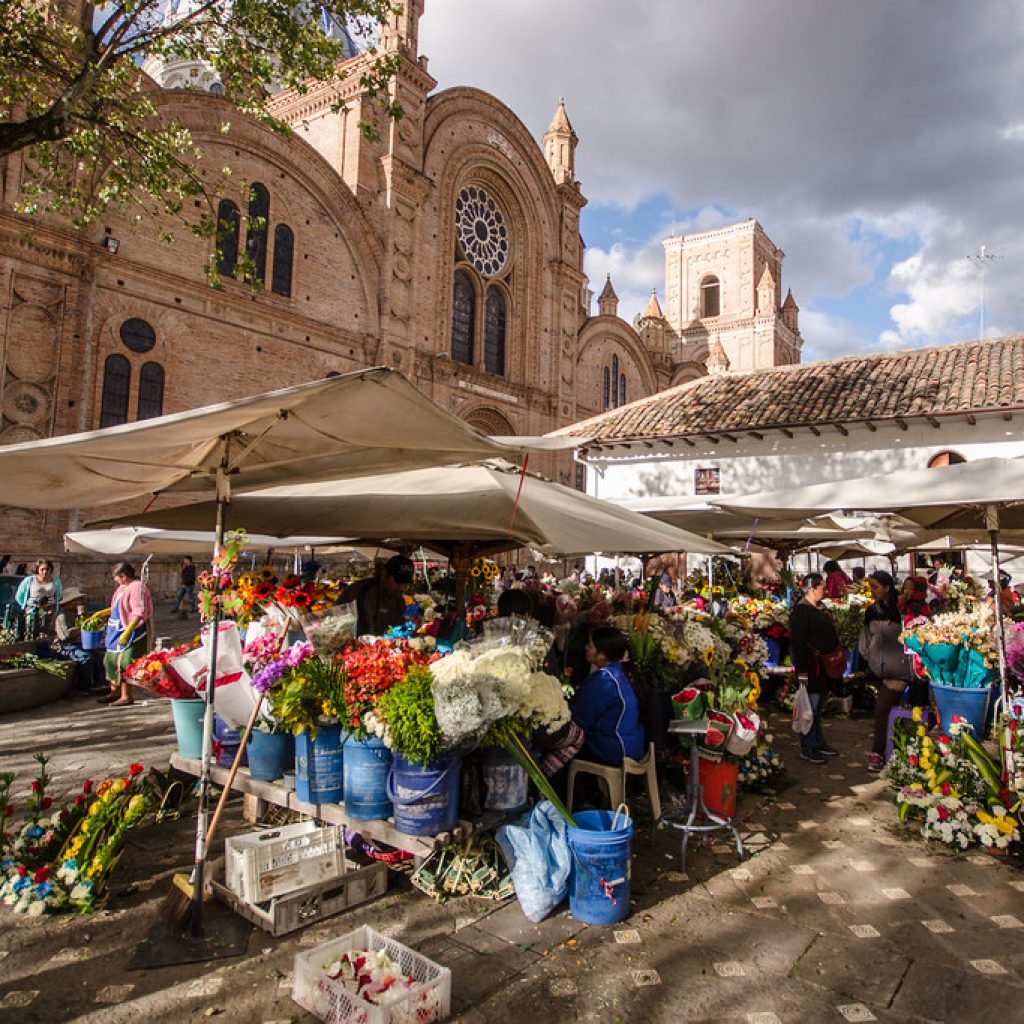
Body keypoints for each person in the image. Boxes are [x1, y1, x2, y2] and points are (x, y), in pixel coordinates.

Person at [860, 570, 919, 772]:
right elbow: (865, 640)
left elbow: (914, 642)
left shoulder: (903, 611)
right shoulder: (871, 612)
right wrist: (871, 660)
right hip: (879, 670)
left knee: (882, 710)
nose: (872, 591)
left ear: (887, 588)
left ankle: (879, 753)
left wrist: (909, 668)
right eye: (871, 587)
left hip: (900, 671)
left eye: (875, 587)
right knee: (884, 711)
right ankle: (893, 751)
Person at [568, 625, 645, 767]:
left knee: (560, 745)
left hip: (613, 749)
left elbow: (580, 717)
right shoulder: (619, 672)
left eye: (590, 645)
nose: (586, 647)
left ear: (602, 654)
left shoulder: (605, 679)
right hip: (632, 746)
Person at [788, 572, 841, 765]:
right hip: (811, 668)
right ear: (812, 589)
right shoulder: (801, 613)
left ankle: (818, 742)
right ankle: (808, 746)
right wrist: (801, 671)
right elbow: (798, 644)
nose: (825, 591)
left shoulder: (819, 608)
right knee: (809, 709)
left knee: (818, 708)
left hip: (824, 668)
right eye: (822, 588)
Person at [98, 562, 153, 707]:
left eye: (116, 577)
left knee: (124, 662)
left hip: (133, 631)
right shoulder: (122, 588)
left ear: (123, 576)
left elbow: (138, 612)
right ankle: (114, 691)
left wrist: (128, 632)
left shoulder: (137, 588)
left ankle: (126, 695)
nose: (115, 580)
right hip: (116, 629)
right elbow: (117, 606)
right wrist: (102, 613)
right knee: (110, 660)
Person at [345, 555, 414, 637]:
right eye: (398, 581)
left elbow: (397, 629)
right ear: (384, 575)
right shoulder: (367, 593)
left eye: (406, 584)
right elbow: (364, 633)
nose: (402, 587)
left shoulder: (398, 600)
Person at [14, 559, 63, 634]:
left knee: (48, 632)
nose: (45, 572)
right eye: (42, 569)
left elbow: (59, 595)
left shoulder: (56, 581)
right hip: (32, 610)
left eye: (47, 569)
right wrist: (28, 606)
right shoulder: (29, 580)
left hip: (50, 610)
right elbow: (19, 596)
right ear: (37, 570)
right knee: (32, 631)